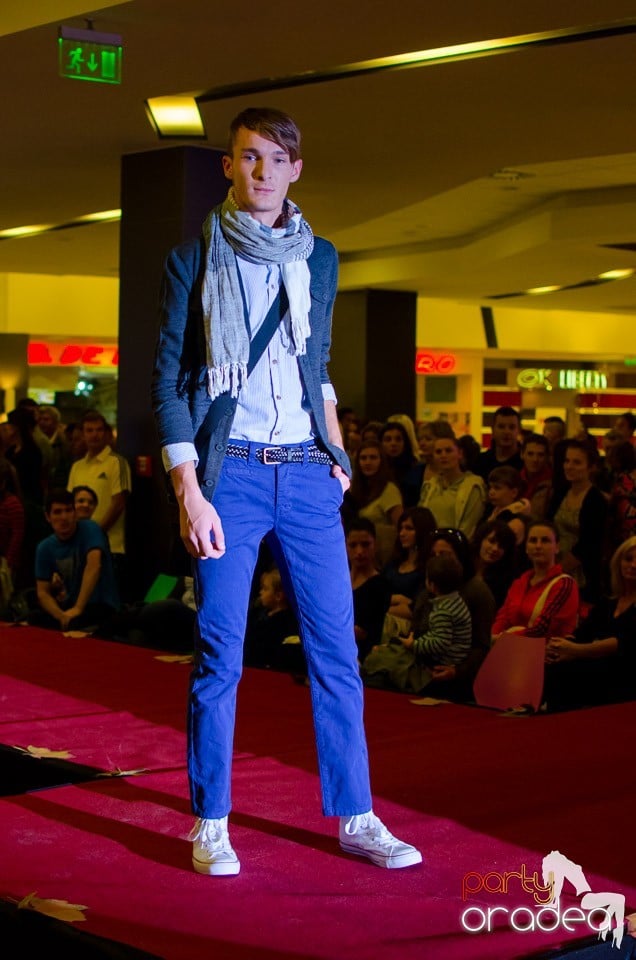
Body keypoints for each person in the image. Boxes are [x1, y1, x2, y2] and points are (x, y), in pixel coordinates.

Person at [151, 106, 421, 876]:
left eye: (277, 158)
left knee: (337, 651)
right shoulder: (192, 259)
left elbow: (317, 363)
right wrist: (190, 491)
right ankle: (211, 821)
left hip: (306, 473)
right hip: (229, 475)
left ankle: (357, 814)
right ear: (228, 166)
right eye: (249, 156)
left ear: (296, 169)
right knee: (220, 654)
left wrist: (337, 451)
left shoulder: (321, 258)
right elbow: (170, 383)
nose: (263, 171)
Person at [544, 536, 636, 710]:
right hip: (595, 663)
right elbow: (583, 634)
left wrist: (574, 650)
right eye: (628, 559)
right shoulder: (608, 603)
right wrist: (560, 647)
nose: (633, 565)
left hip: (624, 673)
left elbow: (622, 643)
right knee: (555, 664)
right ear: (618, 562)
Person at [32, 488, 119, 632]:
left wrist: (78, 608)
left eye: (68, 510)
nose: (64, 517)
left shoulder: (90, 528)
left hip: (100, 605)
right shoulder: (44, 547)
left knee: (77, 624)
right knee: (34, 618)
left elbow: (94, 566)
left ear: (75, 513)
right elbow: (42, 592)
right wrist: (60, 616)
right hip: (69, 607)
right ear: (48, 516)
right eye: (58, 512)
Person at [67, 410, 132, 593]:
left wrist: (94, 535)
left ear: (106, 433)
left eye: (98, 430)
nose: (94, 435)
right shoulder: (77, 466)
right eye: (89, 430)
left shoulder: (116, 462)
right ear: (83, 434)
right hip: (79, 546)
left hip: (111, 546)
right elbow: (70, 504)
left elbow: (118, 504)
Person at [491, 521, 579, 640]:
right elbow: (503, 618)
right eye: (533, 540)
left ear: (557, 547)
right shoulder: (520, 582)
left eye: (545, 541)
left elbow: (542, 629)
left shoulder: (564, 584)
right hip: (510, 645)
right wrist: (492, 638)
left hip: (543, 649)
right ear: (526, 548)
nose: (538, 546)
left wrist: (503, 638)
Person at [547, 439, 608, 606]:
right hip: (554, 562)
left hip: (581, 573)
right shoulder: (560, 493)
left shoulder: (596, 500)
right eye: (567, 461)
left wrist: (558, 570)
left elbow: (589, 545)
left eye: (577, 462)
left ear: (591, 467)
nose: (569, 466)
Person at [343, 439, 403, 565]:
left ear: (381, 461)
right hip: (356, 555)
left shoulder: (389, 489)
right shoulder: (352, 489)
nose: (368, 462)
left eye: (373, 458)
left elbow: (400, 526)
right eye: (363, 458)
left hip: (383, 555)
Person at [418, 435, 486, 540]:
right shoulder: (430, 486)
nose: (443, 455)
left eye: (448, 451)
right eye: (438, 452)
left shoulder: (473, 486)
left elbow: (469, 528)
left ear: (460, 453)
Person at [345, 518, 391, 662]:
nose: (359, 551)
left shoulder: (380, 585)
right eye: (353, 545)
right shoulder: (338, 581)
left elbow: (364, 632)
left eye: (365, 545)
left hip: (363, 654)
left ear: (375, 545)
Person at [243, 567, 302, 672]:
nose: (260, 592)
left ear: (278, 596)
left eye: (265, 589)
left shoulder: (284, 623)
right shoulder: (260, 613)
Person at [471, 519, 517, 610]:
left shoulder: (504, 581)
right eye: (492, 541)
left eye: (501, 546)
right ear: (481, 539)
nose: (495, 548)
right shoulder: (463, 564)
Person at [484, 466, 531, 545]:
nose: (491, 492)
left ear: (514, 493)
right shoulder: (494, 510)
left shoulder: (513, 517)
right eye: (490, 487)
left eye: (497, 488)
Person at [475, 406, 523, 480]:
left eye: (512, 427)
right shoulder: (481, 462)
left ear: (519, 431)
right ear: (492, 430)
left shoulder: (526, 462)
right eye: (501, 427)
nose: (506, 432)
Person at [520, 433, 553, 522]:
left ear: (547, 457)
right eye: (530, 454)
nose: (535, 459)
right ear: (522, 454)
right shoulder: (515, 480)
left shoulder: (553, 485)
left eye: (540, 455)